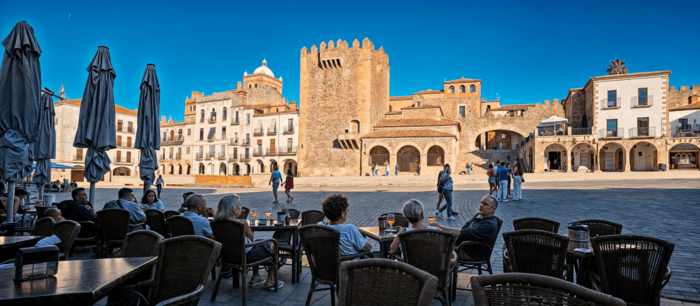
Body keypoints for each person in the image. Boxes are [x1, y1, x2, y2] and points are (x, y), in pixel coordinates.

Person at [214, 194, 283, 289]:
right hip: (247, 256)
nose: (241, 207)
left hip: (227, 257)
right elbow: (251, 239)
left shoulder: (216, 223)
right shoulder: (242, 223)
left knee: (262, 242)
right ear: (234, 210)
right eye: (240, 205)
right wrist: (246, 229)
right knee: (273, 244)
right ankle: (271, 280)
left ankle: (256, 277)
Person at [432, 196, 499, 262]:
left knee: (439, 249)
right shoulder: (480, 215)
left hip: (472, 253)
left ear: (493, 209)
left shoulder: (489, 225)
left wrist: (441, 228)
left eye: (485, 204)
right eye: (481, 203)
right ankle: (443, 270)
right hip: (464, 246)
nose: (481, 205)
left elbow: (464, 233)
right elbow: (465, 228)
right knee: (437, 244)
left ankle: (442, 271)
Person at [389, 199, 457, 261]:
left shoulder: (404, 232)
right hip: (434, 272)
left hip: (410, 271)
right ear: (422, 214)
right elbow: (449, 250)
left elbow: (392, 250)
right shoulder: (437, 231)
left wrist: (400, 232)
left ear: (406, 218)